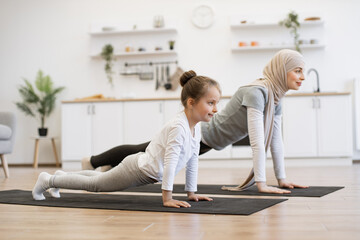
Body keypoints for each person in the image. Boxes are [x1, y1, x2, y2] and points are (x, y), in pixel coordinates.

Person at [82, 49, 308, 194]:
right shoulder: (257, 92)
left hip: (208, 140)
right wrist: (262, 184)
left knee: (143, 150)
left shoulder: (275, 97)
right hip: (203, 132)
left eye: (303, 71)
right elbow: (258, 142)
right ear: (282, 70)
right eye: (297, 70)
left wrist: (282, 178)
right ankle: (91, 162)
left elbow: (275, 141)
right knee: (142, 151)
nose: (303, 76)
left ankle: (104, 167)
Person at [32, 70, 221, 208]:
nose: (215, 109)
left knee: (100, 178)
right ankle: (48, 181)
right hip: (137, 170)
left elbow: (193, 160)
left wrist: (191, 193)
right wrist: (167, 198)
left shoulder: (195, 129)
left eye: (216, 103)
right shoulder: (179, 127)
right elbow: (171, 163)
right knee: (96, 185)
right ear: (191, 102)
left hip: (141, 169)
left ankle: (60, 178)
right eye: (210, 103)